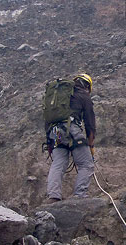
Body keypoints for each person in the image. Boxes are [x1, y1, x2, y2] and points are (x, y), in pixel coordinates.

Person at [46, 73, 96, 202]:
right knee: (86, 164)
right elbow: (90, 122)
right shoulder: (83, 95)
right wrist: (90, 144)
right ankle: (79, 195)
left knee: (58, 163)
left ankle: (53, 196)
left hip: (55, 132)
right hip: (71, 129)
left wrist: (50, 142)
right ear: (87, 86)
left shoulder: (62, 95)